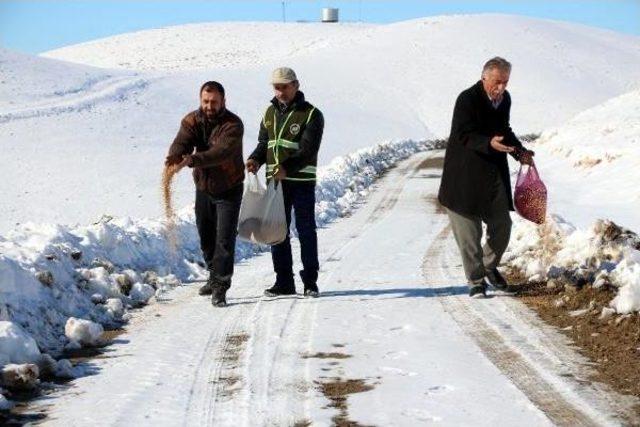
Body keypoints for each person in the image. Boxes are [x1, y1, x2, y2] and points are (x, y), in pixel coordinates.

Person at [437, 57, 534, 298]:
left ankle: (489, 267)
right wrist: (488, 143)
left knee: (502, 226)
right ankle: (475, 280)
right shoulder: (467, 99)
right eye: (497, 82)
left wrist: (520, 153)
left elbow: (505, 130)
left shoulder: (504, 100)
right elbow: (463, 134)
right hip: (463, 177)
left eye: (505, 82)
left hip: (492, 174)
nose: (501, 87)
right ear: (484, 78)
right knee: (470, 236)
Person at [246, 67, 325, 298]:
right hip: (276, 183)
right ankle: (284, 282)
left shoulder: (312, 114)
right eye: (276, 87)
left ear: (296, 85)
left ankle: (310, 282)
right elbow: (265, 143)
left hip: (301, 182)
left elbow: (309, 150)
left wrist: (287, 168)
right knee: (276, 231)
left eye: (284, 87)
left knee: (305, 230)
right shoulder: (269, 113)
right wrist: (255, 159)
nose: (280, 92)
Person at [165, 81, 245, 307]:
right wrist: (175, 157)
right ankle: (213, 274)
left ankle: (221, 285)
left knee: (224, 239)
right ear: (201, 100)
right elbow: (182, 141)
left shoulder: (233, 124)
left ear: (223, 102)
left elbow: (219, 153)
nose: (209, 106)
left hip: (229, 188)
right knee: (206, 235)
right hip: (204, 188)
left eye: (214, 102)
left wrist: (192, 160)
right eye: (206, 101)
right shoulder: (192, 120)